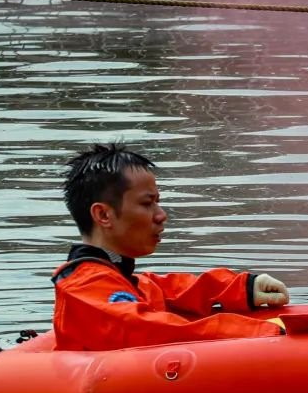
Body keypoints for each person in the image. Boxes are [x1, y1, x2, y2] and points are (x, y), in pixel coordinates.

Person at [52, 143, 290, 350]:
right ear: (103, 214)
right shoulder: (84, 287)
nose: (161, 215)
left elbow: (176, 291)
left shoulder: (119, 278)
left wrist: (242, 288)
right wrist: (266, 332)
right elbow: (153, 330)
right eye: (147, 204)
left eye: (158, 202)